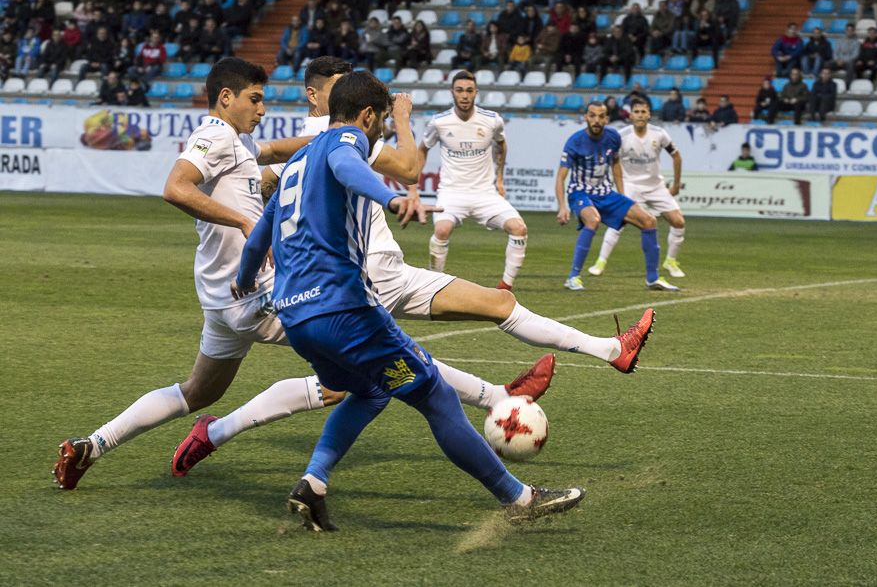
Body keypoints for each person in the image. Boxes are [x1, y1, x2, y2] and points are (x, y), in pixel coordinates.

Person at [172, 57, 656, 476]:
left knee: (352, 385)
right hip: (370, 277)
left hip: (339, 282)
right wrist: (402, 119)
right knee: (425, 358)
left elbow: (266, 167)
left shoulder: (304, 144)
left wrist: (246, 178)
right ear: (320, 95)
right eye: (341, 84)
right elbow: (406, 168)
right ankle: (541, 388)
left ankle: (222, 438)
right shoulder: (345, 136)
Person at [233, 70, 586, 529]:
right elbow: (347, 165)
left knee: (370, 389)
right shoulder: (345, 141)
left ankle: (313, 484)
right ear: (365, 116)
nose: (379, 129)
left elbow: (262, 231)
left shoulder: (297, 162)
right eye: (379, 120)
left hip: (297, 317)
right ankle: (519, 498)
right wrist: (390, 197)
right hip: (345, 310)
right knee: (436, 395)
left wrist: (244, 278)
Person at [51, 58, 322, 491]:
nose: (262, 110)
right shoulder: (215, 135)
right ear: (226, 98)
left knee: (197, 392)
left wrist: (327, 143)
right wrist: (245, 222)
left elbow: (272, 157)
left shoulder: (240, 143)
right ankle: (218, 435)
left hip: (221, 298)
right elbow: (175, 188)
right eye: (255, 99)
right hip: (251, 292)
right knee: (350, 364)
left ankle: (91, 446)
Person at [419, 71, 528, 291]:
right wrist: (412, 187)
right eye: (460, 90)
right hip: (451, 193)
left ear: (476, 92)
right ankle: (433, 286)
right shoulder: (439, 122)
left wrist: (499, 178)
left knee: (519, 229)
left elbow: (502, 145)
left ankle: (505, 288)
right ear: (452, 93)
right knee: (441, 231)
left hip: (484, 194)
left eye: (469, 90)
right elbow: (422, 150)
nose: (465, 95)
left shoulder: (491, 120)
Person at [555, 100, 678, 292]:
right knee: (593, 220)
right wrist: (562, 206)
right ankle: (573, 277)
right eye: (593, 116)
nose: (597, 120)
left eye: (601, 116)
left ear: (607, 118)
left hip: (606, 194)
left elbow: (616, 165)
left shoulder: (613, 136)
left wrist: (622, 196)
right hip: (580, 193)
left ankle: (653, 279)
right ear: (586, 117)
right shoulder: (575, 141)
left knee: (649, 221)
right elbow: (561, 176)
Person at [588, 97, 687, 281]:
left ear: (649, 114)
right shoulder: (621, 136)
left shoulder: (660, 134)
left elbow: (677, 156)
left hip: (656, 185)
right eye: (637, 112)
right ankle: (600, 262)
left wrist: (675, 184)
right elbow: (612, 161)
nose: (640, 115)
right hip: (631, 184)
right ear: (630, 115)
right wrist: (619, 188)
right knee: (618, 222)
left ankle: (671, 261)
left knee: (678, 222)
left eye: (644, 112)